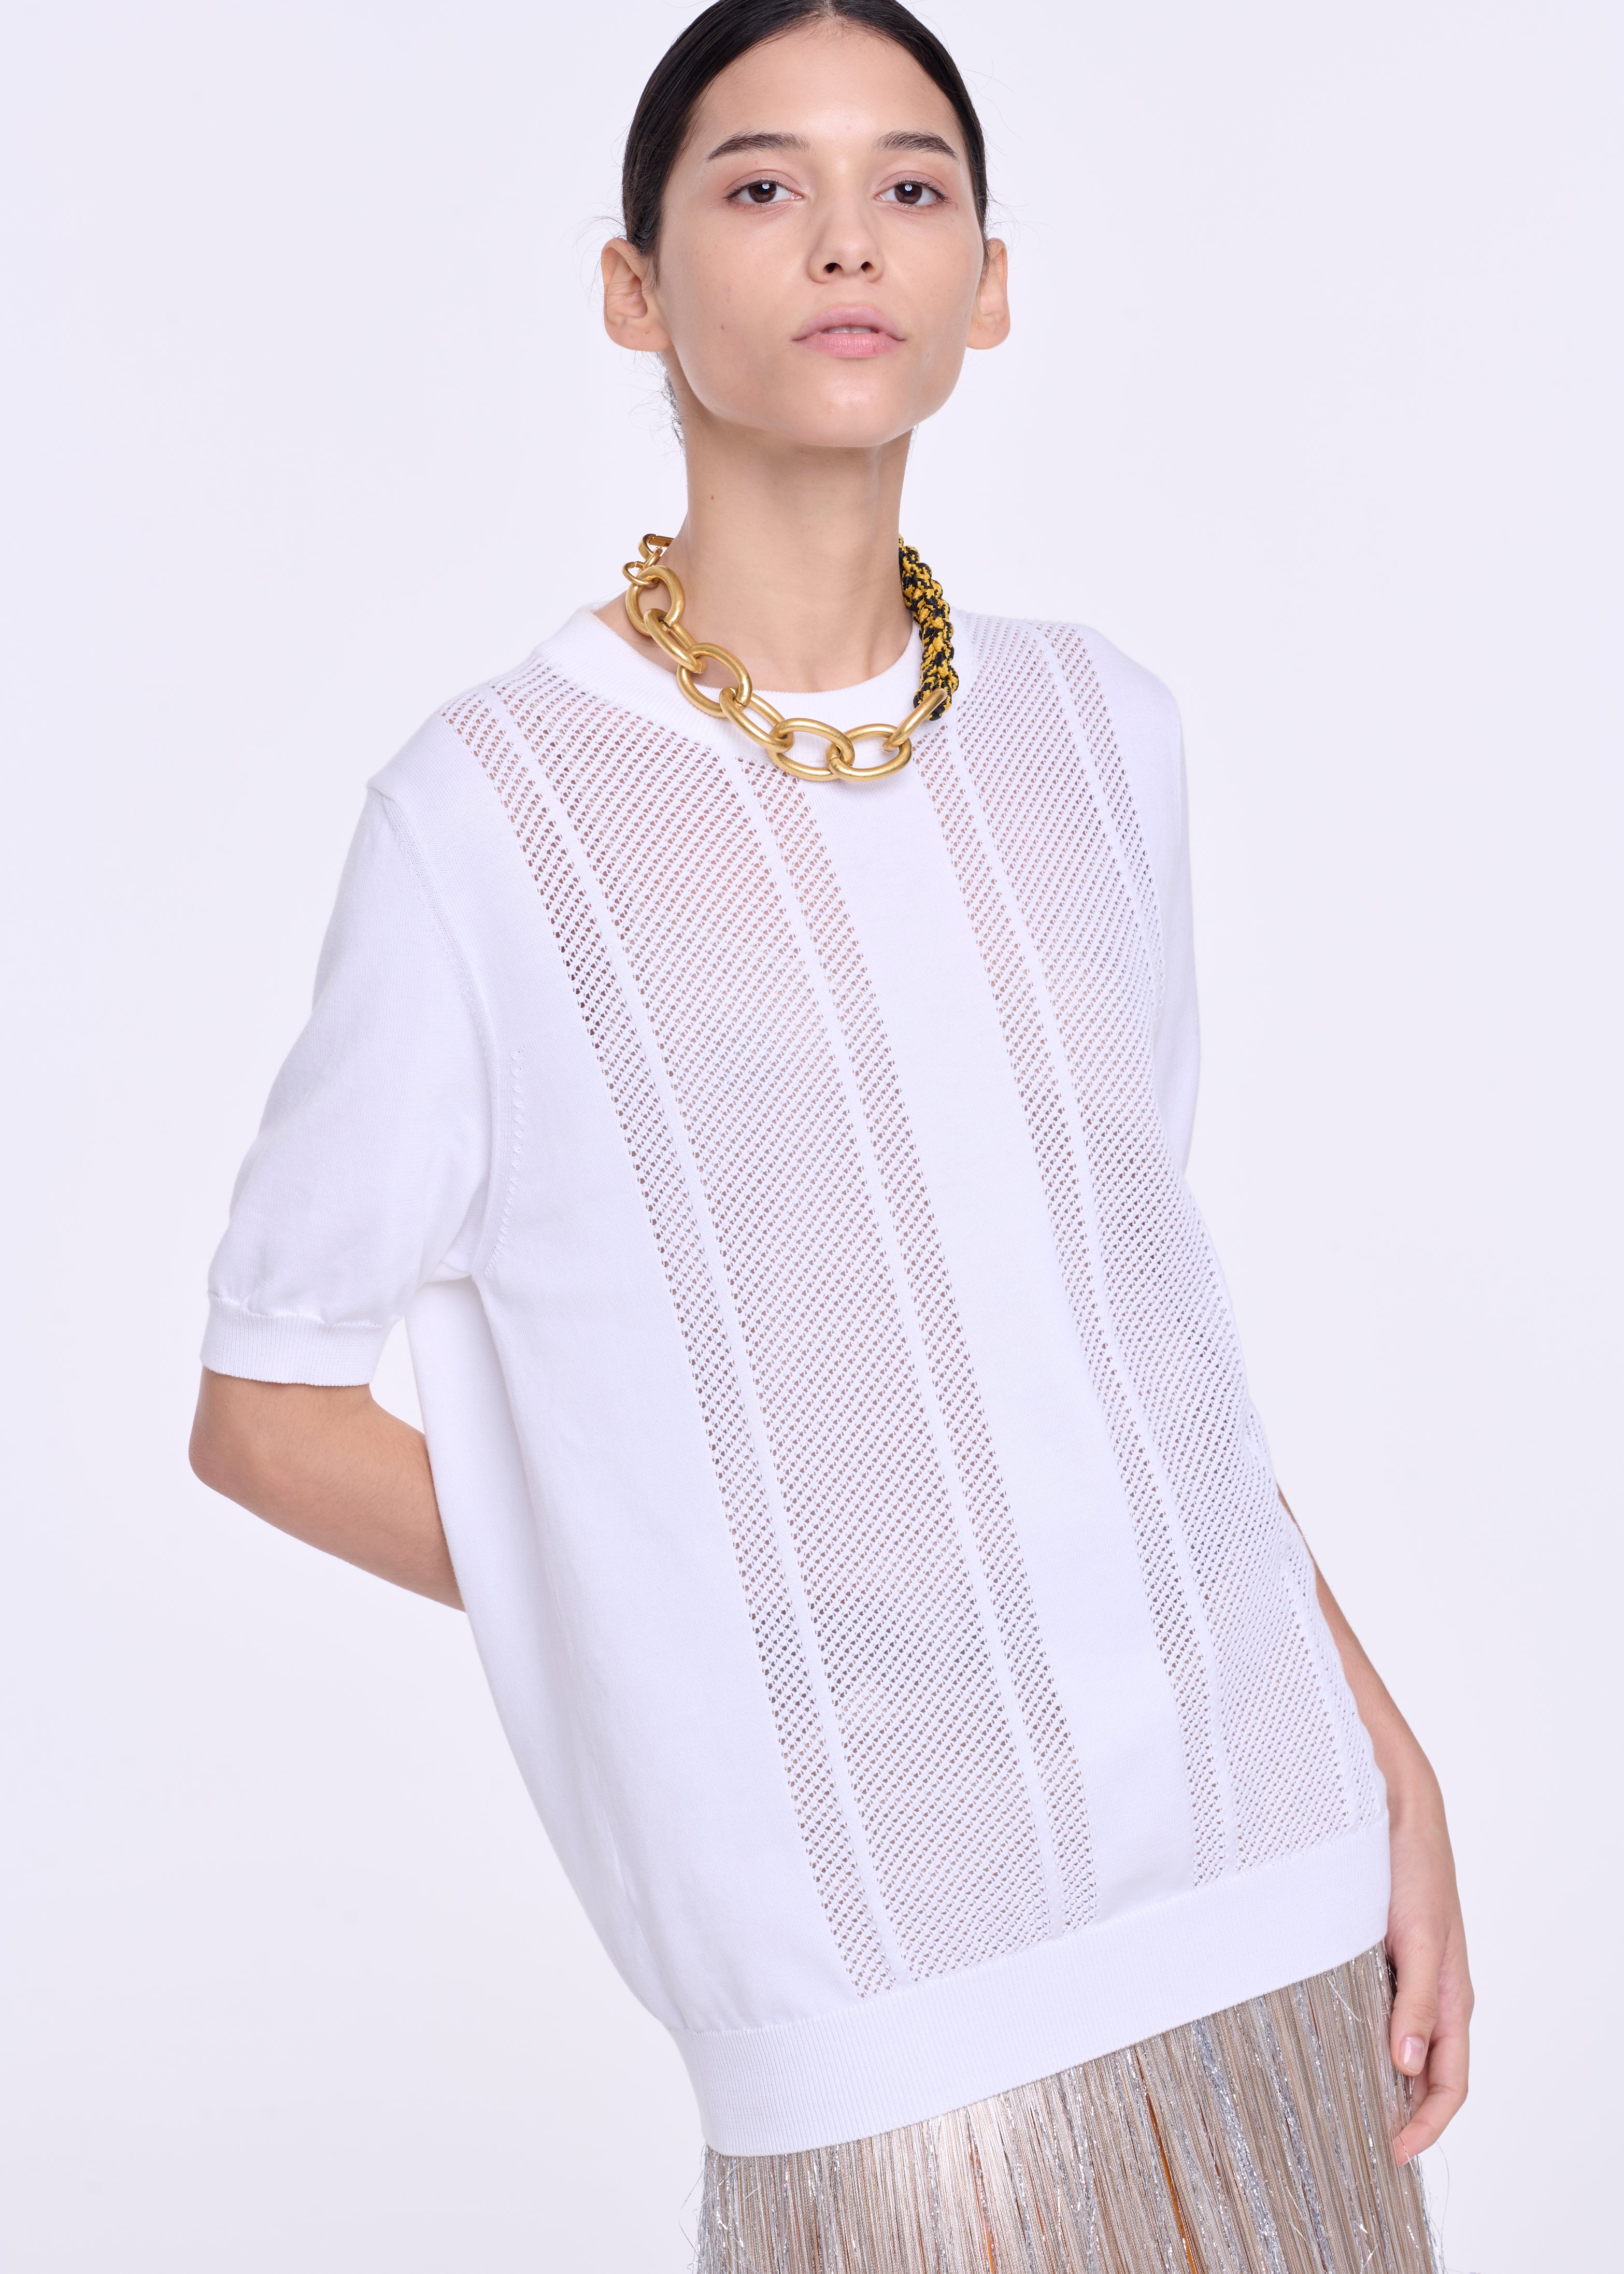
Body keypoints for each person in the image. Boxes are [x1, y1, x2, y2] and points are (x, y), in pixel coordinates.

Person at [190, 4, 1472, 2267]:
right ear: (633, 287)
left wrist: (1385, 1749)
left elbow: (1141, 1346)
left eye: (912, 185)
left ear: (991, 283)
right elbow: (261, 1406)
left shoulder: (1103, 735)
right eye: (763, 184)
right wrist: (704, 1593)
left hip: (1267, 1870)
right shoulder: (492, 821)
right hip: (875, 1974)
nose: (847, 238)